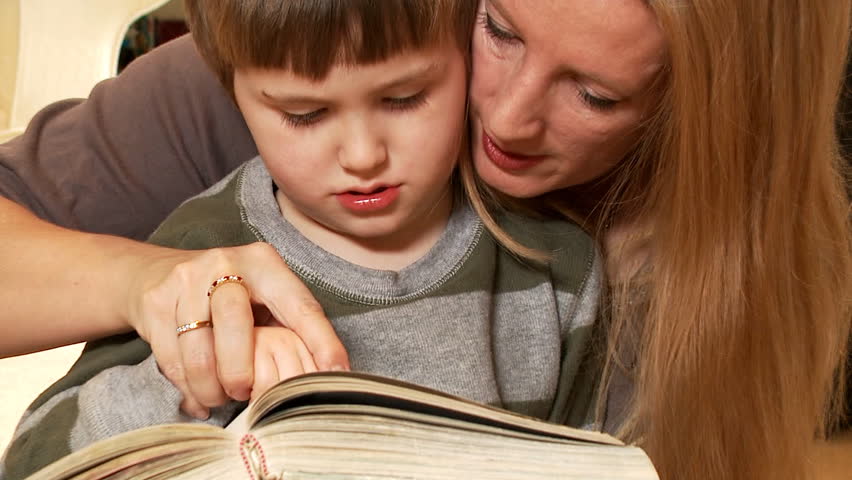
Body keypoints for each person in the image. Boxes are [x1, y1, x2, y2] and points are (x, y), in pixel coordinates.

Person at [0, 1, 848, 479]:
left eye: (595, 95)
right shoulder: (313, 38)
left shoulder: (580, 277)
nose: (508, 122)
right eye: (500, 31)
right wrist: (149, 289)